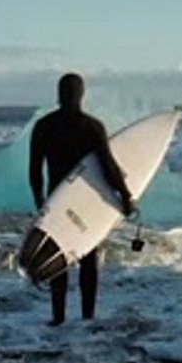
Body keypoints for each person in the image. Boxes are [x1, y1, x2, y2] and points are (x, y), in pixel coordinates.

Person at [28, 73, 136, 326]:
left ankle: (58, 318)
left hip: (57, 198)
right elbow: (108, 167)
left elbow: (34, 170)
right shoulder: (91, 126)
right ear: (81, 95)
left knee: (59, 257)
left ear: (59, 94)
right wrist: (125, 195)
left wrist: (40, 202)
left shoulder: (45, 126)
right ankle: (88, 316)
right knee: (88, 256)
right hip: (86, 202)